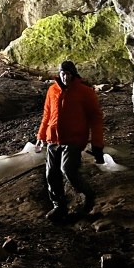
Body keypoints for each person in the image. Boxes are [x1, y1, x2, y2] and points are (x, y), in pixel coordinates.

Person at [36, 60, 104, 221]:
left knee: (67, 169)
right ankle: (59, 206)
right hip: (53, 139)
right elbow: (47, 114)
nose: (65, 77)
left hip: (74, 139)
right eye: (62, 74)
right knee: (51, 174)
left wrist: (97, 144)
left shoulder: (85, 92)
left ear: (73, 75)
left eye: (68, 74)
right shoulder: (52, 90)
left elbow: (96, 119)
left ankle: (87, 195)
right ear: (59, 74)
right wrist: (41, 136)